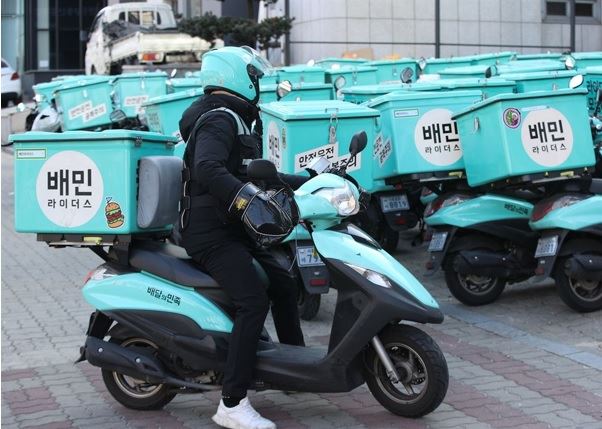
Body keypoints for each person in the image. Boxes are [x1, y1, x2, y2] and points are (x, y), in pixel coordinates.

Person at [178, 46, 306, 429]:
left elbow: (257, 173)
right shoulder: (220, 119)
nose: (259, 84)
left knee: (284, 282)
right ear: (236, 77)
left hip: (231, 230)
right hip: (209, 233)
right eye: (254, 76)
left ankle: (292, 368)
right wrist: (243, 198)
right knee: (252, 301)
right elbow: (207, 168)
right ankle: (232, 403)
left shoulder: (236, 118)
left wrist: (311, 178)